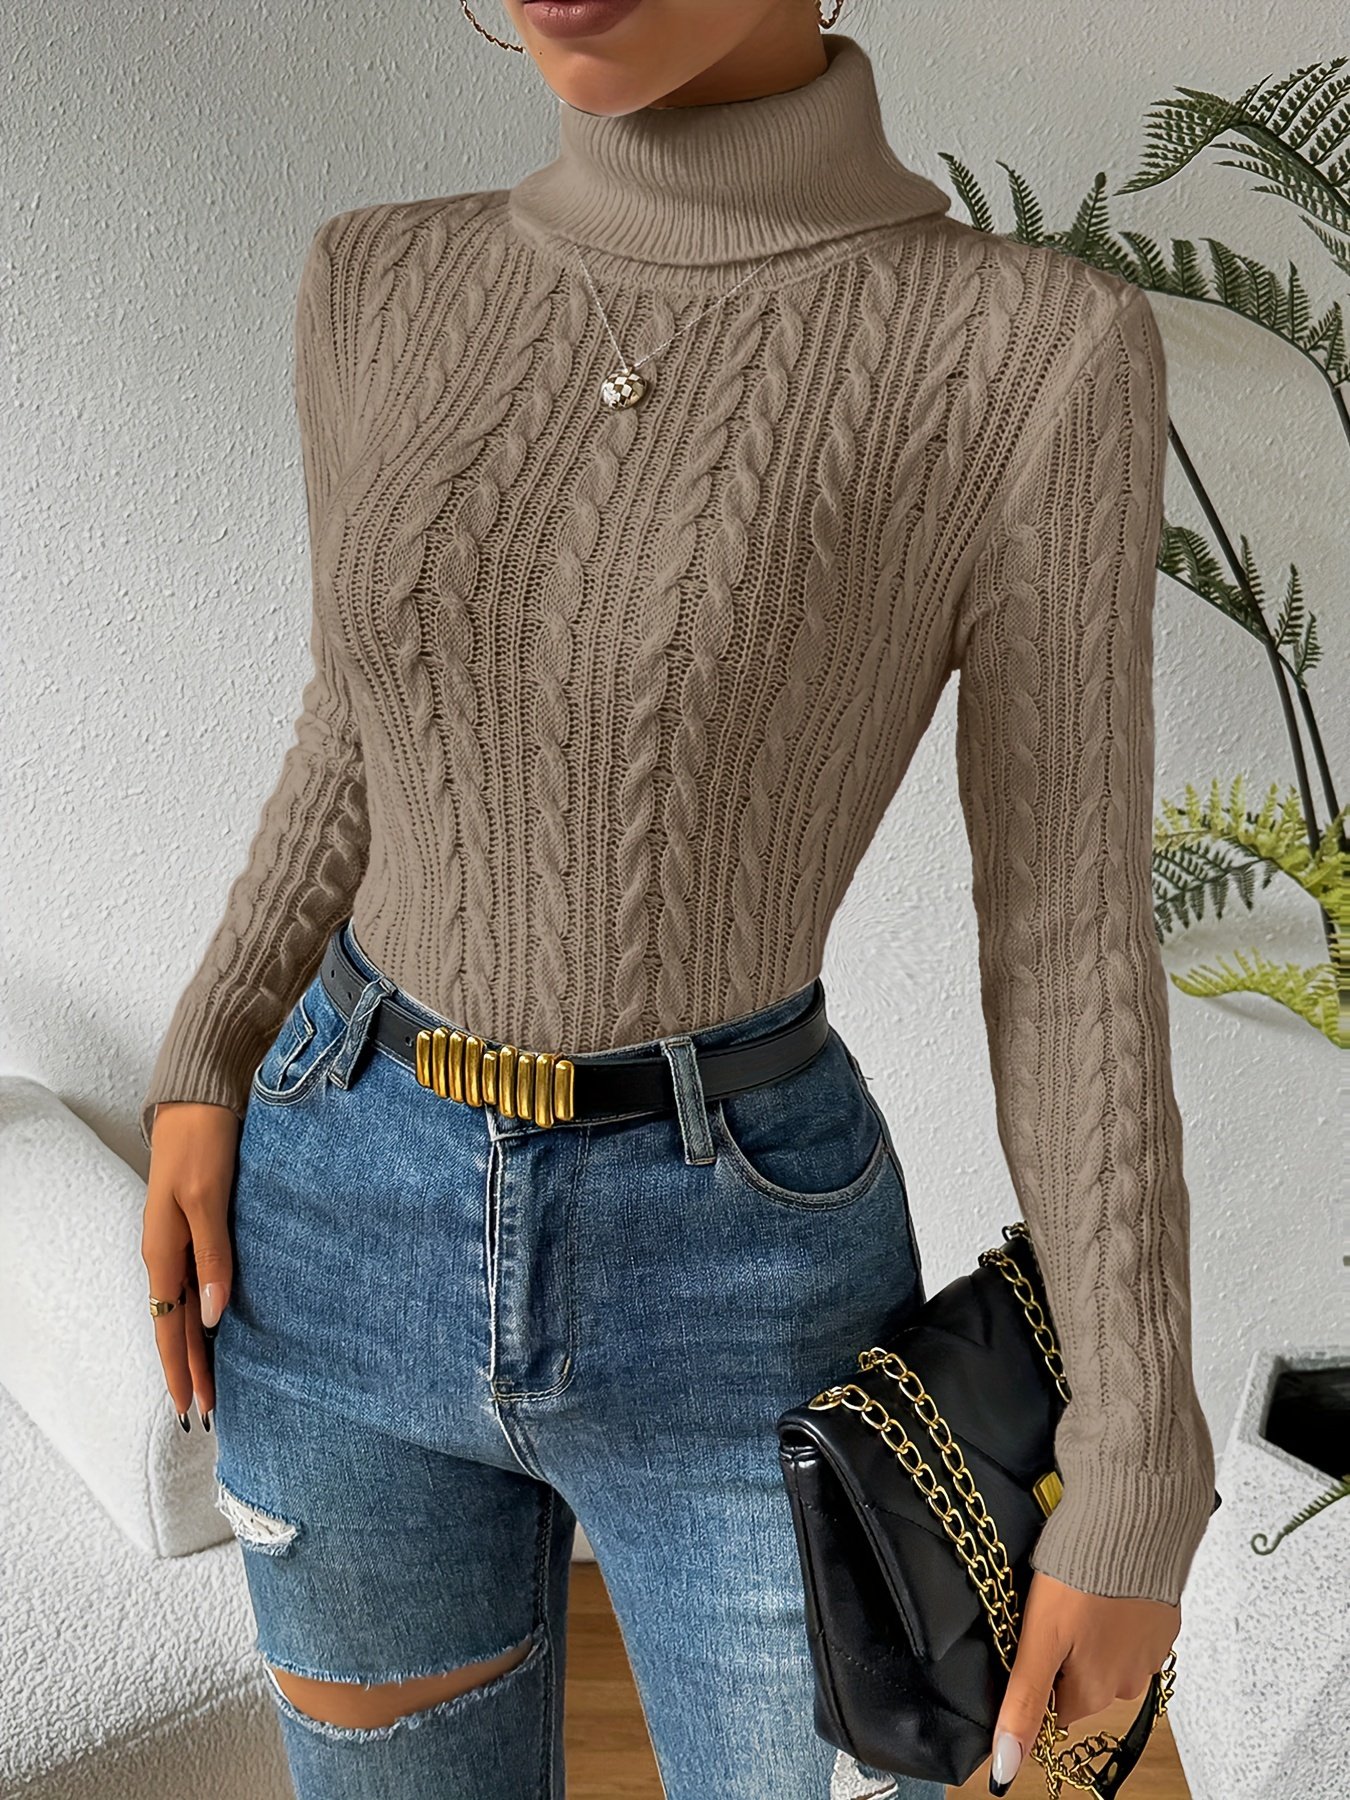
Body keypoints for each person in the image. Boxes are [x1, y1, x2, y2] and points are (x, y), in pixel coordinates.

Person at [138, 3, 1218, 1796]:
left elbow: (1066, 941)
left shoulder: (1025, 353)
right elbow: (361, 720)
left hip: (738, 1272)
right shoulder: (378, 281)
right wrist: (211, 1045)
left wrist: (1135, 1456)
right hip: (328, 1222)